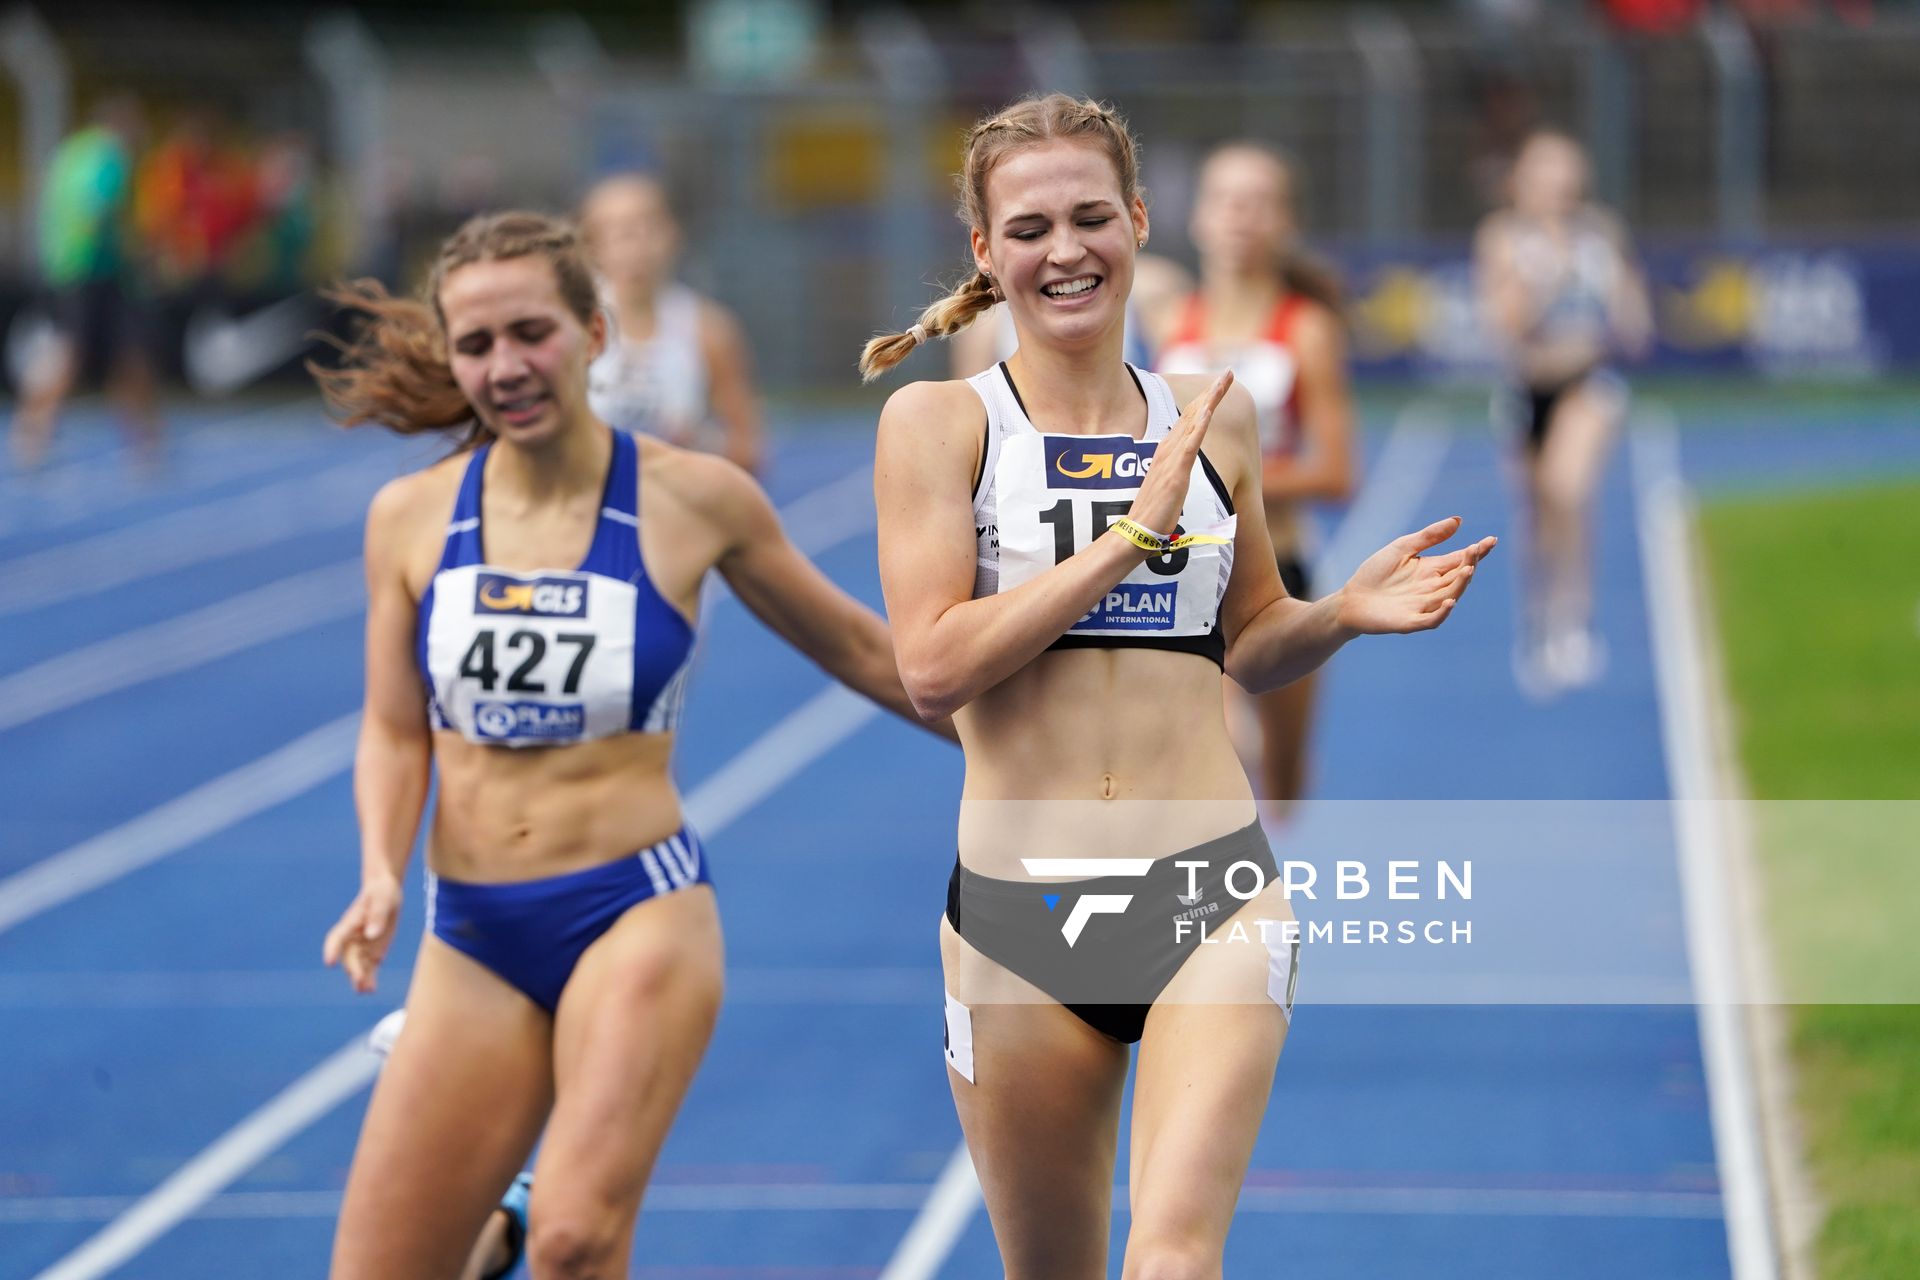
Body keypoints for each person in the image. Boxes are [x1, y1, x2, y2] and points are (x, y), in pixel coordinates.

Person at [861, 94, 1495, 1279]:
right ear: (987, 254)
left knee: (1172, 1261)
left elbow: (1251, 639)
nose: (1067, 250)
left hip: (1209, 888)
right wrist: (1126, 539)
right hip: (1019, 915)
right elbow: (932, 664)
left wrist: (1339, 616)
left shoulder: (1217, 418)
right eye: (1032, 227)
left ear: (1141, 223)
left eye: (1092, 216)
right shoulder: (939, 424)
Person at [313, 210, 945, 1280]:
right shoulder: (410, 519)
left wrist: (1043, 745)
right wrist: (379, 867)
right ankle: (505, 1209)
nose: (505, 366)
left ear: (595, 332)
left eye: (530, 333)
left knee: (575, 1238)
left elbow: (871, 652)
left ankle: (532, 1213)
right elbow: (389, 723)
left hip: (633, 910)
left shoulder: (693, 499)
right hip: (470, 929)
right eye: (476, 346)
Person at [1150, 141, 1357, 822]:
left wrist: (1229, 483)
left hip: (1275, 572)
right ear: (1199, 219)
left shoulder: (1307, 329)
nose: (1240, 215)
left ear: (1284, 222)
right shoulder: (1167, 321)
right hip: (1182, 572)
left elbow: (1336, 472)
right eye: (1225, 200)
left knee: (1285, 786)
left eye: (1258, 202)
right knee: (1214, 754)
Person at [1473, 127, 1651, 698]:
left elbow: (1635, 322)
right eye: (1546, 174)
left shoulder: (1600, 233)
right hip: (1525, 390)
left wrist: (1617, 295)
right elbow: (1503, 324)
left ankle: (1574, 619)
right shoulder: (1502, 237)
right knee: (1533, 515)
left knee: (1568, 489)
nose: (1559, 186)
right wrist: (1547, 277)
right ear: (1521, 181)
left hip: (1586, 385)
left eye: (1567, 174)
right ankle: (1537, 620)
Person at [10, 95, 160, 471]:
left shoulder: (71, 152)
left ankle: (35, 433)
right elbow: (100, 210)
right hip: (93, 271)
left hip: (66, 269)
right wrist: (137, 252)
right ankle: (34, 433)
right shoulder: (108, 157)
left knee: (114, 355)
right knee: (86, 355)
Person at [578, 173, 764, 474]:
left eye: (648, 225)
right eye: (619, 231)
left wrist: (699, 443)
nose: (636, 244)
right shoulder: (567, 325)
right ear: (590, 245)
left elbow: (749, 451)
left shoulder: (709, 330)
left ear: (673, 233)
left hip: (674, 507)